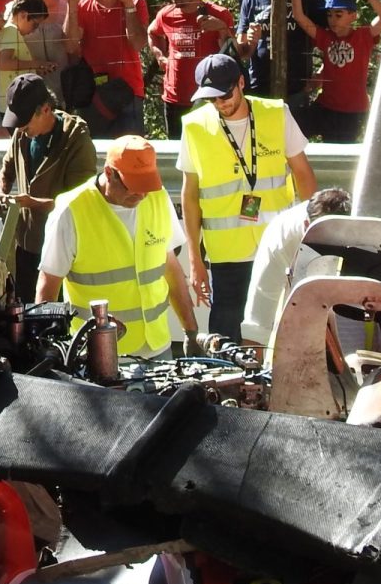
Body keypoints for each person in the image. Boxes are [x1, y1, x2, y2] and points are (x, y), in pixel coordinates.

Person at [178, 52, 316, 341]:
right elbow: (190, 195)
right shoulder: (194, 127)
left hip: (277, 245)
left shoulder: (276, 112)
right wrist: (195, 259)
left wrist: (313, 236)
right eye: (211, 98)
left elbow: (303, 174)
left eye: (225, 94)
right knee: (227, 336)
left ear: (242, 82)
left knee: (280, 330)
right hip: (227, 254)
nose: (220, 103)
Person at [36, 134, 201, 359]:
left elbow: (170, 267)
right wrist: (46, 350)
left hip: (157, 348)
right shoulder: (71, 210)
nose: (142, 194)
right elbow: (48, 285)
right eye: (133, 186)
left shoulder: (158, 198)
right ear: (109, 173)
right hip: (98, 356)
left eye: (146, 185)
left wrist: (191, 332)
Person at [0, 74, 97, 303]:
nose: (20, 129)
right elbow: (4, 173)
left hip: (61, 250)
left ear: (46, 109)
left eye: (26, 122)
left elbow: (81, 203)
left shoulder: (77, 141)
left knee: (55, 323)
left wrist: (33, 203)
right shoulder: (21, 134)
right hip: (26, 247)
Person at [242, 186, 353, 349]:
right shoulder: (281, 239)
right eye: (325, 236)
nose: (331, 242)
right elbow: (259, 310)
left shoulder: (359, 227)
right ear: (307, 224)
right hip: (292, 254)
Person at [291, 0, 381, 143]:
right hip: (324, 106)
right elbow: (299, 17)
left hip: (351, 113)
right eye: (329, 15)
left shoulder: (364, 36)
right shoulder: (325, 37)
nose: (332, 20)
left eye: (339, 15)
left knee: (338, 157)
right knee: (293, 130)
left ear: (353, 16)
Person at [236, 0, 326, 114]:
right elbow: (242, 51)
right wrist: (250, 42)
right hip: (260, 89)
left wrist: (321, 76)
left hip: (297, 90)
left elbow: (331, 40)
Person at [69, 0, 150, 138]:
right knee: (95, 154)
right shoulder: (82, 4)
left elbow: (138, 43)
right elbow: (71, 45)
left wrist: (128, 5)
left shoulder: (136, 2)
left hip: (129, 90)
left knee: (131, 154)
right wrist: (71, 7)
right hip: (93, 94)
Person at [148, 0, 234, 139]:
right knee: (178, 154)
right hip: (174, 98)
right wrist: (160, 55)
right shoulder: (166, 15)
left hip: (209, 98)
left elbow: (236, 53)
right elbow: (152, 32)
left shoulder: (219, 14)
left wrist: (222, 29)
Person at [0, 0, 65, 138]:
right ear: (23, 15)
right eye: (35, 24)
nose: (35, 29)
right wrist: (36, 63)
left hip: (14, 104)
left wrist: (35, 68)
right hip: (16, 106)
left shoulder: (10, 31)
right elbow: (4, 63)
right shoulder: (11, 32)